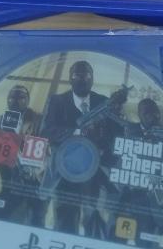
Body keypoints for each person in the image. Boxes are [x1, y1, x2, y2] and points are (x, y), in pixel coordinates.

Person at [39, 61, 125, 237]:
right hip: (65, 171)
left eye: (87, 75)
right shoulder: (57, 101)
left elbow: (118, 138)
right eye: (77, 75)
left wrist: (116, 115)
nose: (82, 79)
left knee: (95, 223)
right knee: (64, 221)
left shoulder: (103, 102)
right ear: (70, 79)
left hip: (95, 172)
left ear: (92, 79)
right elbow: (46, 130)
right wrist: (79, 131)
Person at [112, 98, 163, 245]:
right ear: (139, 115)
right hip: (133, 187)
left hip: (160, 188)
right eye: (146, 112)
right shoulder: (129, 129)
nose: (152, 115)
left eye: (155, 111)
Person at [0, 84, 47, 226]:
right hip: (9, 183)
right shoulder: (1, 120)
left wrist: (22, 157)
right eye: (11, 97)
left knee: (35, 219)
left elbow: (45, 152)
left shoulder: (38, 119)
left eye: (20, 97)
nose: (14, 101)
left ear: (27, 100)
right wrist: (7, 153)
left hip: (33, 184)